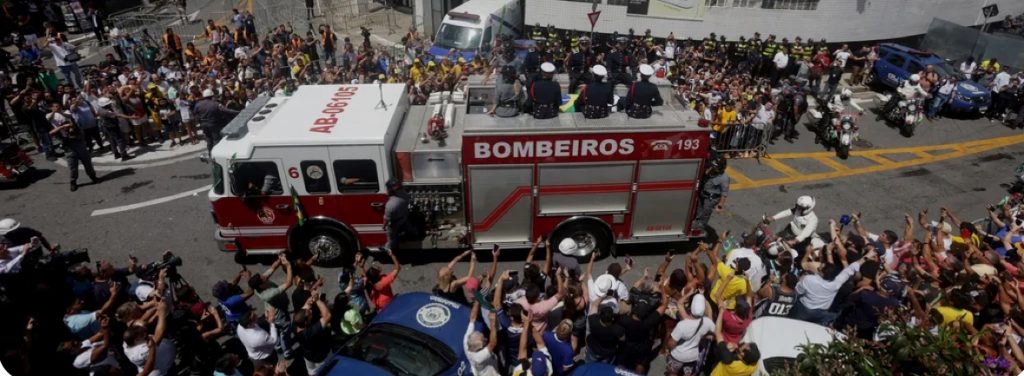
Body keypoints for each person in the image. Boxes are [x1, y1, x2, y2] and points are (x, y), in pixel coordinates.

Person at [48, 101, 98, 192]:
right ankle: (73, 182)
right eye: (55, 106)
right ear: (51, 108)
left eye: (58, 106)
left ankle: (93, 176)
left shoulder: (66, 112)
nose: (57, 107)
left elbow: (70, 116)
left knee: (87, 162)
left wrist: (61, 112)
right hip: (67, 144)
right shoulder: (50, 115)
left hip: (78, 141)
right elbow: (50, 127)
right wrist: (60, 125)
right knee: (73, 166)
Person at [708, 307, 760, 376]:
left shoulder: (729, 363)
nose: (746, 343)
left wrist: (721, 312)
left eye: (746, 346)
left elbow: (717, 332)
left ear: (742, 355)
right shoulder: (754, 365)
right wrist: (737, 348)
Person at [192, 88, 239, 154]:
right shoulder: (216, 104)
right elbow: (226, 110)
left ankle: (210, 153)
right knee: (216, 139)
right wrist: (238, 112)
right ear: (212, 96)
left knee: (208, 139)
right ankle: (217, 154)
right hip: (213, 124)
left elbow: (195, 116)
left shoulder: (198, 104)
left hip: (204, 125)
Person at [464, 301, 501, 376]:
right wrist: (492, 322)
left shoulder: (466, 340)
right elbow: (492, 343)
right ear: (480, 348)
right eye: (484, 340)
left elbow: (472, 318)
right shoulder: (478, 357)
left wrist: (477, 301)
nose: (486, 339)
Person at [695, 157, 729, 230]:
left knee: (706, 211)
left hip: (711, 199)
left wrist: (719, 206)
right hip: (703, 193)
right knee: (699, 208)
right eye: (713, 165)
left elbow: (724, 193)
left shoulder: (724, 178)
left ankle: (701, 225)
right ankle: (697, 220)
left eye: (716, 166)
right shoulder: (711, 171)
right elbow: (705, 175)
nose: (714, 167)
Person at [383, 178, 414, 252]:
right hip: (404, 216)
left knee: (391, 237)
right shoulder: (404, 194)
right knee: (407, 225)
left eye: (387, 188)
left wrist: (384, 226)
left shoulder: (391, 205)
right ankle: (414, 232)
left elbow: (386, 219)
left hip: (395, 222)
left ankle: (389, 249)